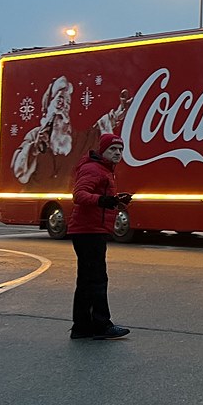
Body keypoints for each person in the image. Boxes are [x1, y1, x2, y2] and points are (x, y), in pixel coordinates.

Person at [67, 132, 132, 341]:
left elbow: (96, 198)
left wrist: (114, 200)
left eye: (120, 150)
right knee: (96, 280)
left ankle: (82, 327)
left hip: (91, 230)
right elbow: (79, 195)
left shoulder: (103, 170)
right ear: (103, 151)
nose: (118, 153)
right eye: (113, 149)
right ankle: (102, 325)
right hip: (88, 231)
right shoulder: (93, 169)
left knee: (87, 280)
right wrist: (103, 200)